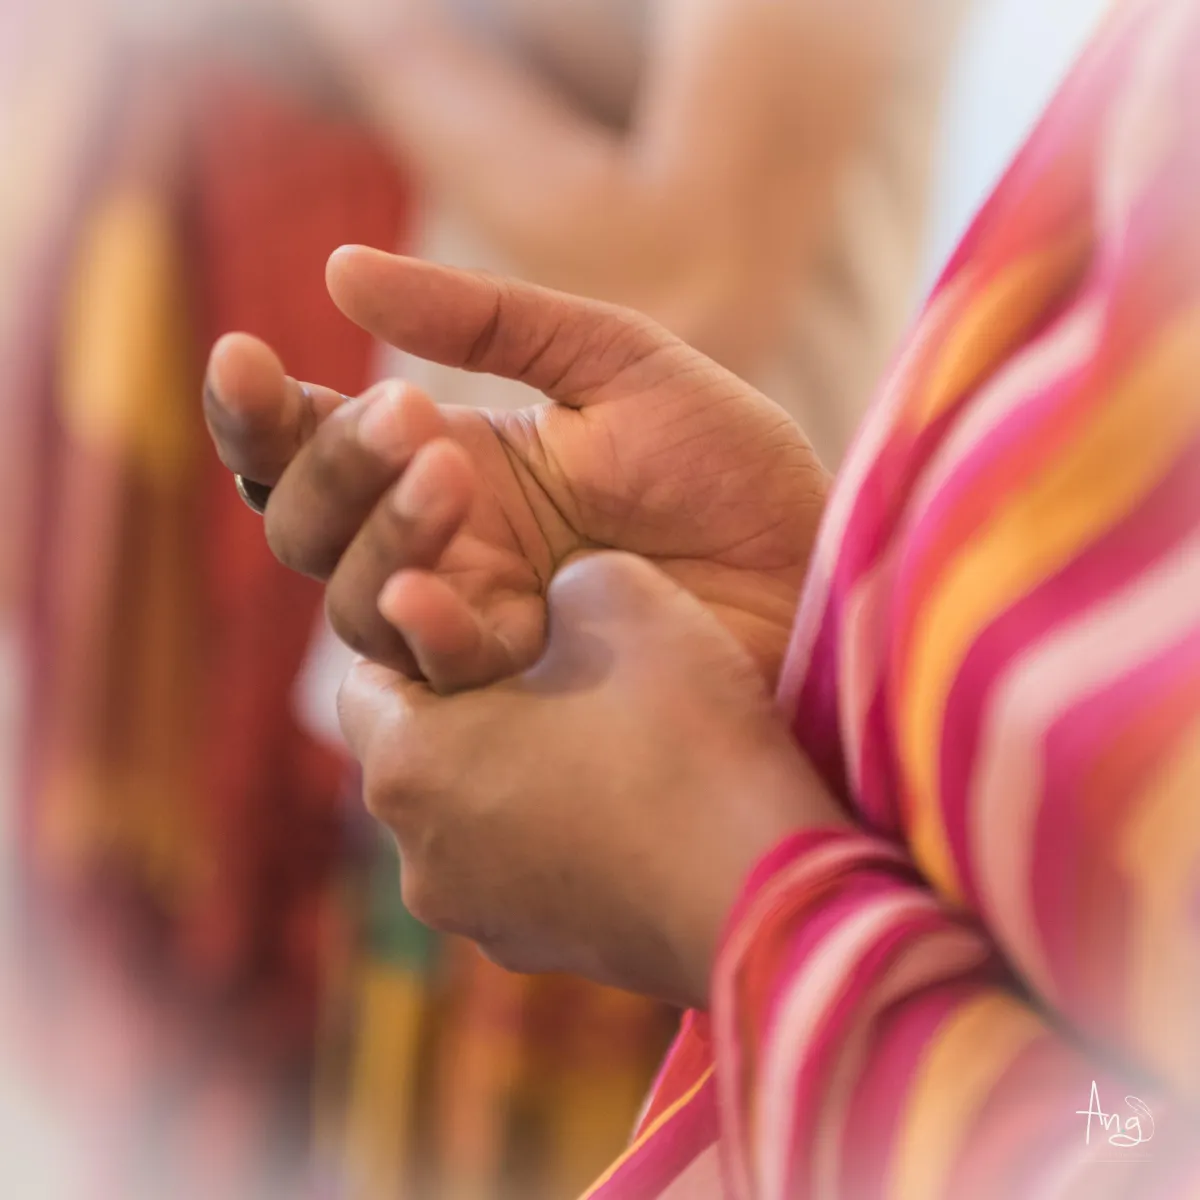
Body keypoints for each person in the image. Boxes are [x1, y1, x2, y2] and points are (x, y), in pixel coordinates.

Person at [206, 0, 1200, 1194]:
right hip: (682, 716)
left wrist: (731, 883)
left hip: (686, 793)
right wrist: (822, 634)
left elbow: (695, 267)